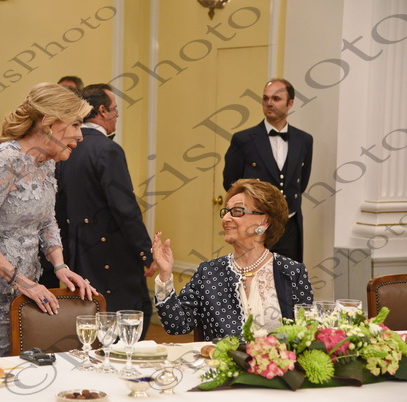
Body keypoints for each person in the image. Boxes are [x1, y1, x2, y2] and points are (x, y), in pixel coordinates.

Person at [0, 83, 96, 359]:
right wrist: (21, 281)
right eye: (75, 124)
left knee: (22, 367)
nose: (80, 135)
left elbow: (47, 220)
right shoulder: (7, 160)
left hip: (24, 287)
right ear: (50, 123)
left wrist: (60, 266)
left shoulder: (46, 163)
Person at [153, 179, 313, 341]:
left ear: (265, 221)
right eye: (226, 212)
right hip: (221, 358)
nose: (226, 218)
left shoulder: (292, 272)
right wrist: (165, 274)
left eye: (237, 211)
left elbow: (307, 334)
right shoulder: (209, 272)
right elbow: (177, 324)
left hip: (278, 358)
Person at [55, 83, 156, 338]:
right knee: (128, 319)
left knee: (87, 317)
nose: (117, 116)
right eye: (115, 109)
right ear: (102, 111)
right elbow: (125, 208)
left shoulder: (68, 148)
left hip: (77, 251)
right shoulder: (108, 149)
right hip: (112, 253)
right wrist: (146, 252)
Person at [223, 78, 313, 262]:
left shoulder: (304, 140)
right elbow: (231, 184)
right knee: (253, 273)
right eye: (266, 98)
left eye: (276, 99)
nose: (269, 103)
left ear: (290, 103)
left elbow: (301, 183)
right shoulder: (243, 140)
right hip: (253, 226)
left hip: (290, 225)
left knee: (288, 276)